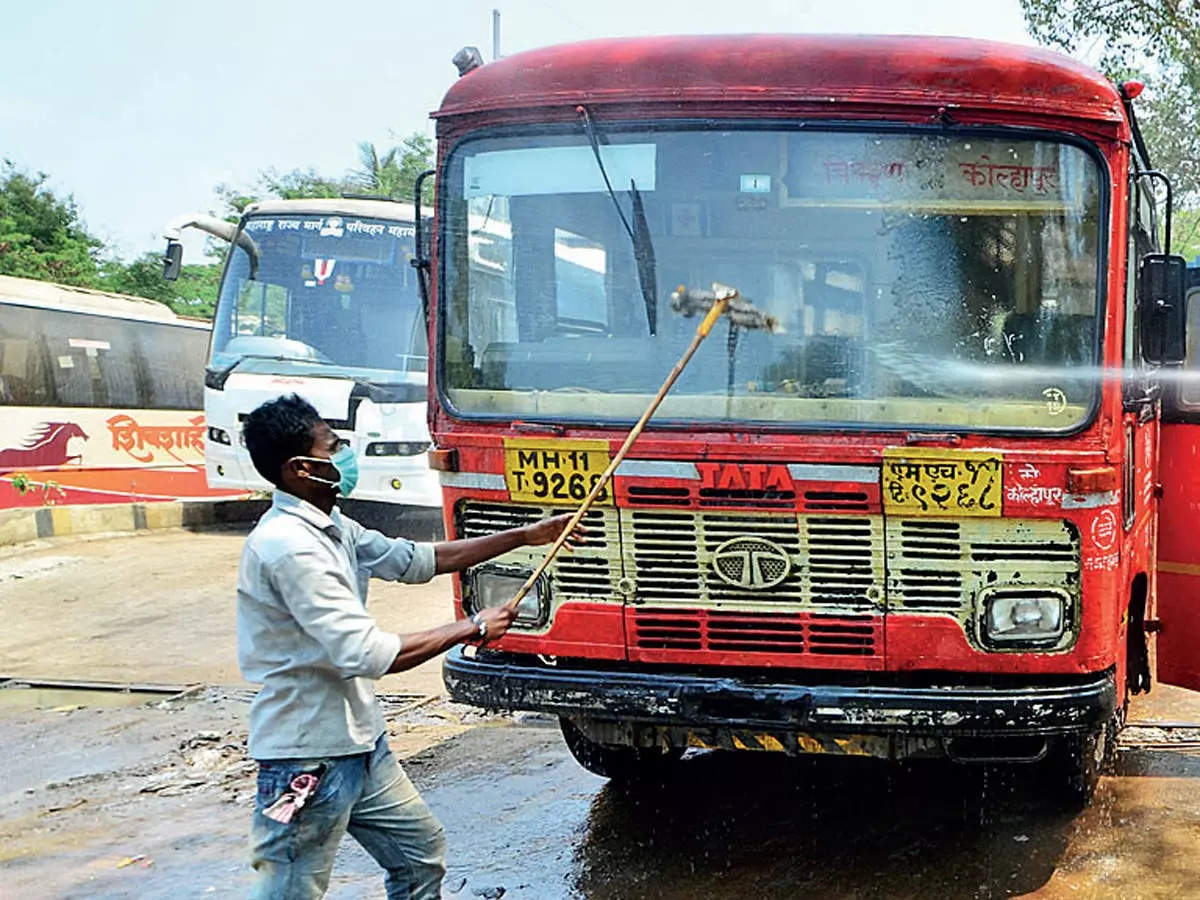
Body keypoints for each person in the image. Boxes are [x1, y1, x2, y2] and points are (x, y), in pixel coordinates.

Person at [237, 394, 580, 899]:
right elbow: (370, 654)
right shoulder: (291, 549)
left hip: (360, 743)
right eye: (333, 448)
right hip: (307, 756)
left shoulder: (333, 528)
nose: (345, 456)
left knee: (420, 856)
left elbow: (416, 559)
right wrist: (474, 628)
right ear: (300, 470)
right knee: (289, 891)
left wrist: (526, 535)